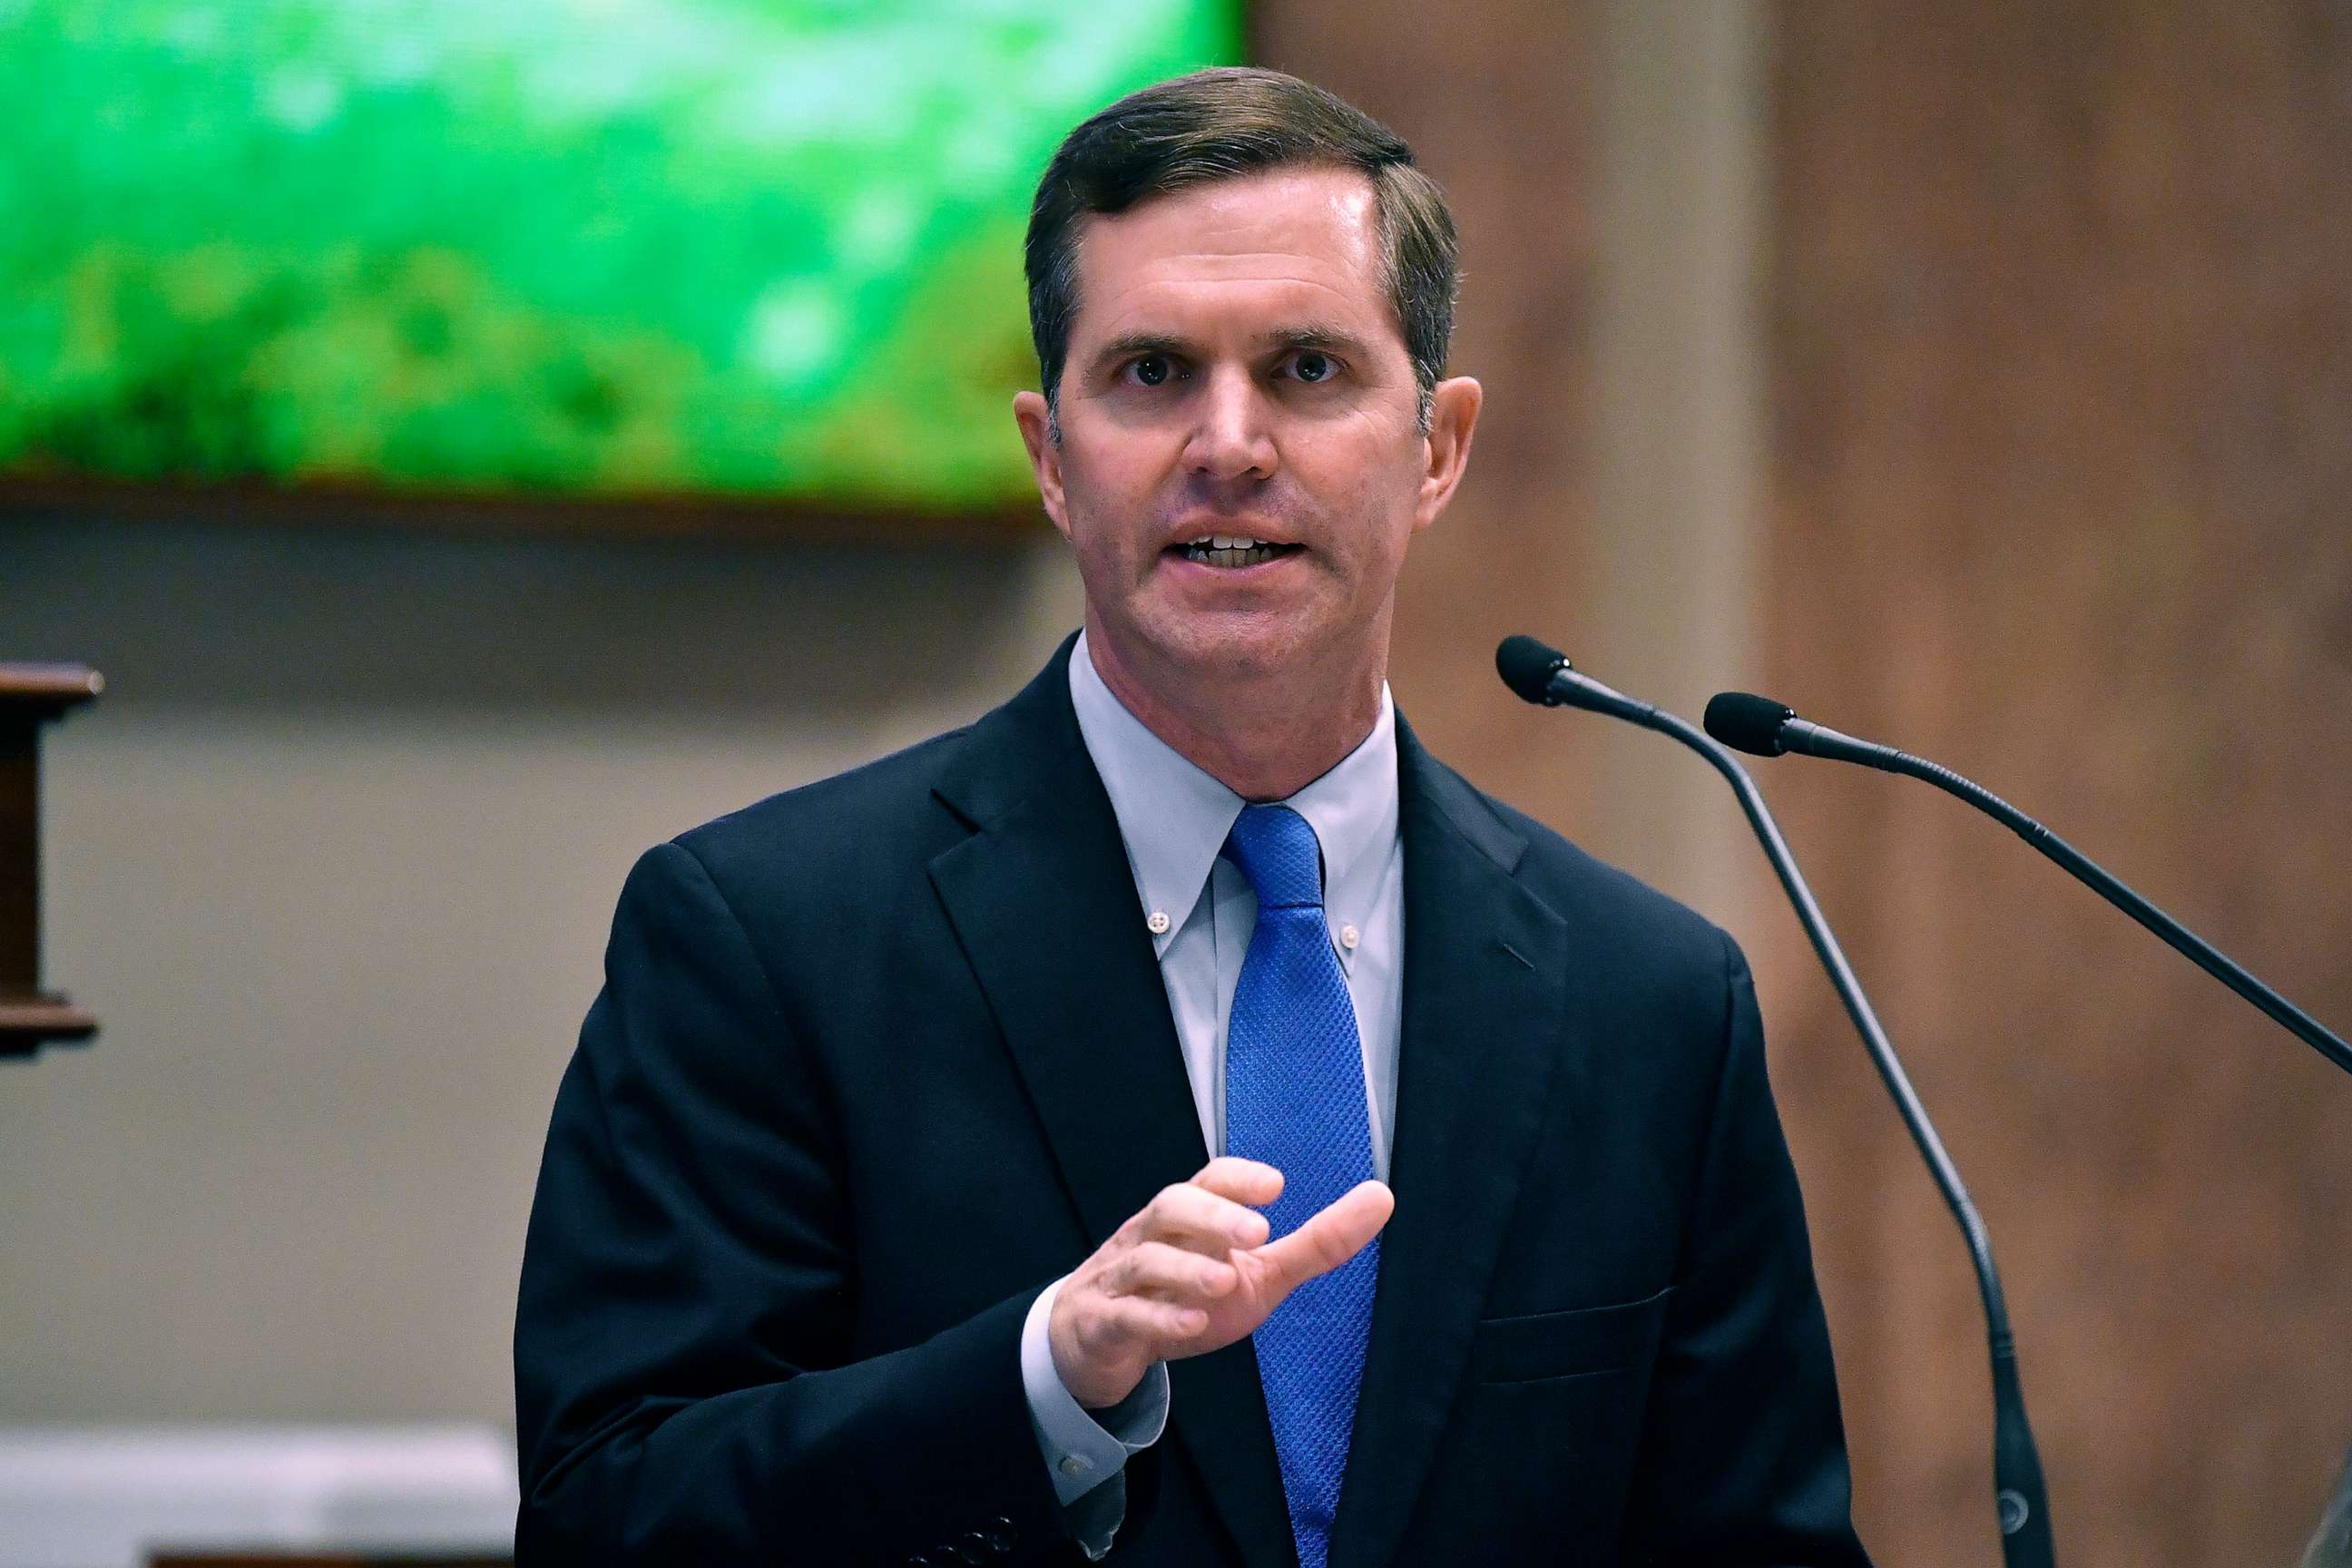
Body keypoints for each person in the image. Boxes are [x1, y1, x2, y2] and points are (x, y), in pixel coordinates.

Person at [514, 67, 1870, 1568]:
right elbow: (608, 1520)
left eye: (1306, 370)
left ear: (1437, 447)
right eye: (1153, 374)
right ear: (1049, 455)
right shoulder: (766, 940)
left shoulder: (1651, 1003)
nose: (1230, 441)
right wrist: (1044, 1381)